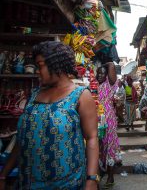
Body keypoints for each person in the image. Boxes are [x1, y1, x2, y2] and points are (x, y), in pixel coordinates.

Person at [0, 41, 99, 190]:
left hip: (67, 184)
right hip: (28, 182)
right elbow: (22, 139)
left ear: (56, 64)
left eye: (40, 66)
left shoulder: (80, 96)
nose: (37, 71)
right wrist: (3, 174)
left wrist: (91, 180)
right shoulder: (34, 96)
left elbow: (92, 138)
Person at [96, 62, 121, 188]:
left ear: (106, 75)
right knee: (100, 148)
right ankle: (101, 172)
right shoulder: (95, 86)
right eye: (98, 73)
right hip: (97, 120)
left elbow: (111, 65)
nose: (100, 75)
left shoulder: (109, 84)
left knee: (109, 146)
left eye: (103, 73)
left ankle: (110, 177)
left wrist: (105, 64)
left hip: (109, 120)